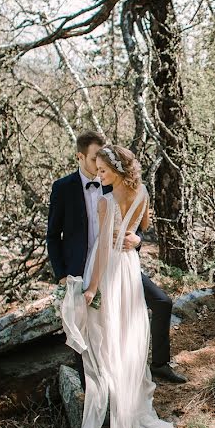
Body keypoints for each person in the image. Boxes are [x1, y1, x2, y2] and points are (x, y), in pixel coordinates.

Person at [58, 144, 181, 428]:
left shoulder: (105, 202)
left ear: (115, 167)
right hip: (129, 270)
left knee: (105, 328)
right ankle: (123, 378)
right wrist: (133, 238)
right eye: (96, 171)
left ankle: (112, 383)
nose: (99, 176)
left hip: (111, 269)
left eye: (104, 171)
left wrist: (91, 287)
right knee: (127, 325)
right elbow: (142, 226)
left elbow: (104, 249)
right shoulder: (141, 193)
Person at [46, 131, 186, 384]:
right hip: (81, 268)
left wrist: (138, 240)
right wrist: (62, 274)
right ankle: (91, 385)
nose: (100, 168)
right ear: (80, 157)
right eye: (94, 161)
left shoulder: (114, 183)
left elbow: (136, 220)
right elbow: (53, 235)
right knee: (86, 326)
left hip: (117, 262)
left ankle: (159, 365)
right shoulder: (63, 188)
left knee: (161, 302)